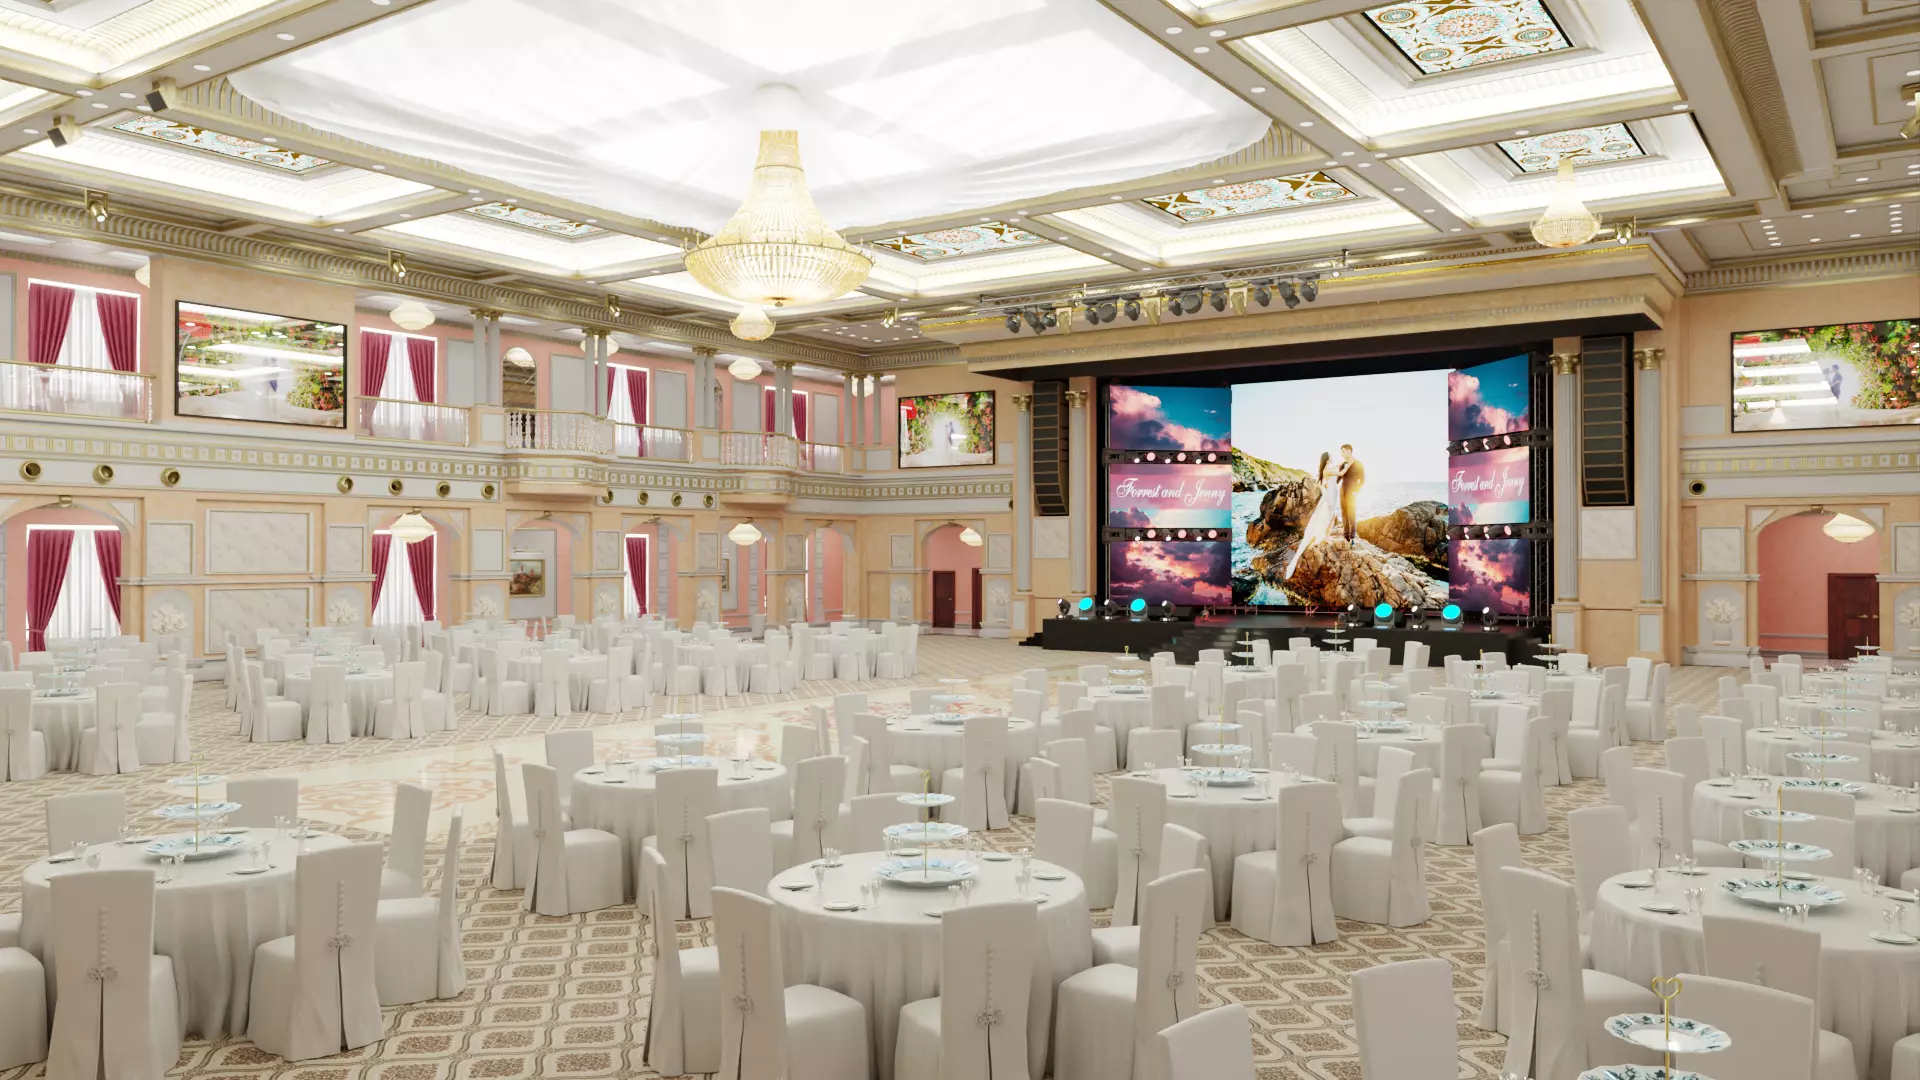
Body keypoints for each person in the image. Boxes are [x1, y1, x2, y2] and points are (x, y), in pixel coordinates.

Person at [1284, 451, 1346, 580]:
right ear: (1327, 459)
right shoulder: (1327, 470)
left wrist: (1344, 462)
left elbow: (1335, 471)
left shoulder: (1327, 469)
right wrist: (1350, 464)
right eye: (1330, 456)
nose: (1332, 457)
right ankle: (1325, 536)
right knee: (1330, 516)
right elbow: (1341, 473)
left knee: (1331, 516)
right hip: (1331, 495)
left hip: (1331, 494)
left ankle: (1326, 535)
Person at [1337, 443, 1366, 542]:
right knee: (1344, 513)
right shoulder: (1341, 465)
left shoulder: (1358, 464)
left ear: (1349, 451)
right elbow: (1337, 479)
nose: (1341, 454)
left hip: (1352, 493)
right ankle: (1346, 536)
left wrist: (1356, 491)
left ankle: (1352, 536)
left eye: (1343, 451)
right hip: (1342, 492)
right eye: (1341, 452)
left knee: (1351, 513)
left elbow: (1362, 480)